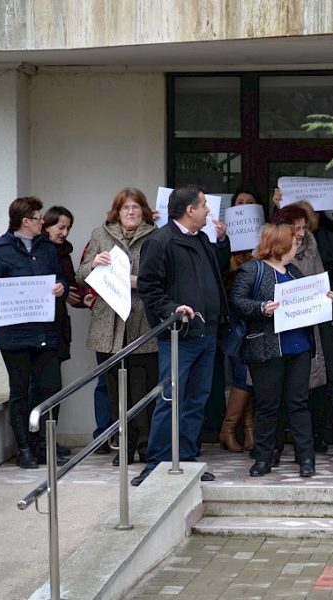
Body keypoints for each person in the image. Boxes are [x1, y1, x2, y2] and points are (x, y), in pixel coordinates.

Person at [133, 184, 230, 486]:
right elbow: (149, 287)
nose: (208, 210)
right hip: (179, 336)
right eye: (204, 205)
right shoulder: (160, 242)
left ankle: (186, 459)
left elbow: (216, 276)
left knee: (196, 400)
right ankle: (156, 464)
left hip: (207, 332)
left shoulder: (201, 239)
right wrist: (173, 309)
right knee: (170, 398)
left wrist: (223, 243)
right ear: (190, 210)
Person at [229, 223, 333, 477]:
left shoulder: (294, 272)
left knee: (299, 404)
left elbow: (308, 301)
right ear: (281, 246)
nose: (297, 246)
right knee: (267, 405)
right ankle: (262, 459)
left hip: (299, 347)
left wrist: (323, 298)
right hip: (266, 349)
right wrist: (261, 308)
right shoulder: (252, 269)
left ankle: (306, 458)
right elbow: (237, 301)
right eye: (293, 243)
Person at [0, 196, 67, 468]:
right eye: (38, 218)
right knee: (20, 391)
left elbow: (60, 277)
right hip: (14, 336)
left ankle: (44, 446)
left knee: (51, 388)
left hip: (45, 332)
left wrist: (60, 287)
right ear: (25, 221)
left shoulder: (47, 248)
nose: (42, 222)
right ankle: (24, 448)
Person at [273, 203, 333, 461]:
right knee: (284, 390)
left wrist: (327, 294)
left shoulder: (315, 247)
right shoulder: (273, 250)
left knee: (325, 386)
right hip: (285, 326)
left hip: (315, 326)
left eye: (304, 227)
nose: (301, 233)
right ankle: (280, 447)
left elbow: (329, 279)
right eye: (296, 228)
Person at [77, 188, 158, 467]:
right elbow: (80, 275)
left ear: (144, 211)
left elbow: (164, 277)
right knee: (114, 391)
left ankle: (145, 444)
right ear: (117, 212)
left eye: (135, 207)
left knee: (143, 389)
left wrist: (138, 281)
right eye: (125, 208)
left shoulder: (156, 236)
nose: (131, 212)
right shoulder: (100, 234)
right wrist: (93, 264)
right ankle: (124, 446)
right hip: (108, 326)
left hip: (142, 322)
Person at [39, 205, 87, 459]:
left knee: (53, 388)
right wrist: (65, 293)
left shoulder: (64, 252)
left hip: (58, 326)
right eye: (60, 227)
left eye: (68, 228)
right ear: (46, 226)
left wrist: (80, 300)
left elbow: (69, 287)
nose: (65, 232)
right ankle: (38, 443)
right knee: (39, 388)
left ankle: (49, 440)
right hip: (39, 327)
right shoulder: (39, 251)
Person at [218, 189, 260, 453]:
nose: (244, 207)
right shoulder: (222, 241)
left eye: (250, 203)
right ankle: (233, 428)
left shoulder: (263, 242)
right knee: (241, 371)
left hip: (259, 315)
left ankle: (244, 429)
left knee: (252, 373)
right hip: (234, 318)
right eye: (239, 203)